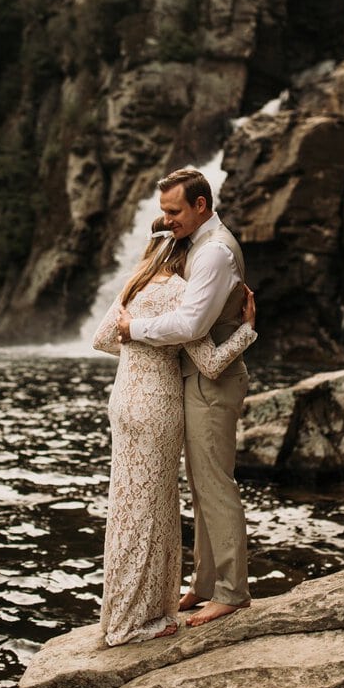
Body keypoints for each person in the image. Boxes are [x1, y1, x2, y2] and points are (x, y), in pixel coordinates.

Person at [93, 217, 256, 646]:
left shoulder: (133, 284)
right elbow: (210, 362)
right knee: (155, 509)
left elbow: (104, 339)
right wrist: (246, 331)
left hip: (125, 398)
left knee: (127, 505)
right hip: (159, 403)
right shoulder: (178, 292)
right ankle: (144, 616)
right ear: (182, 254)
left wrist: (139, 349)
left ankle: (120, 611)